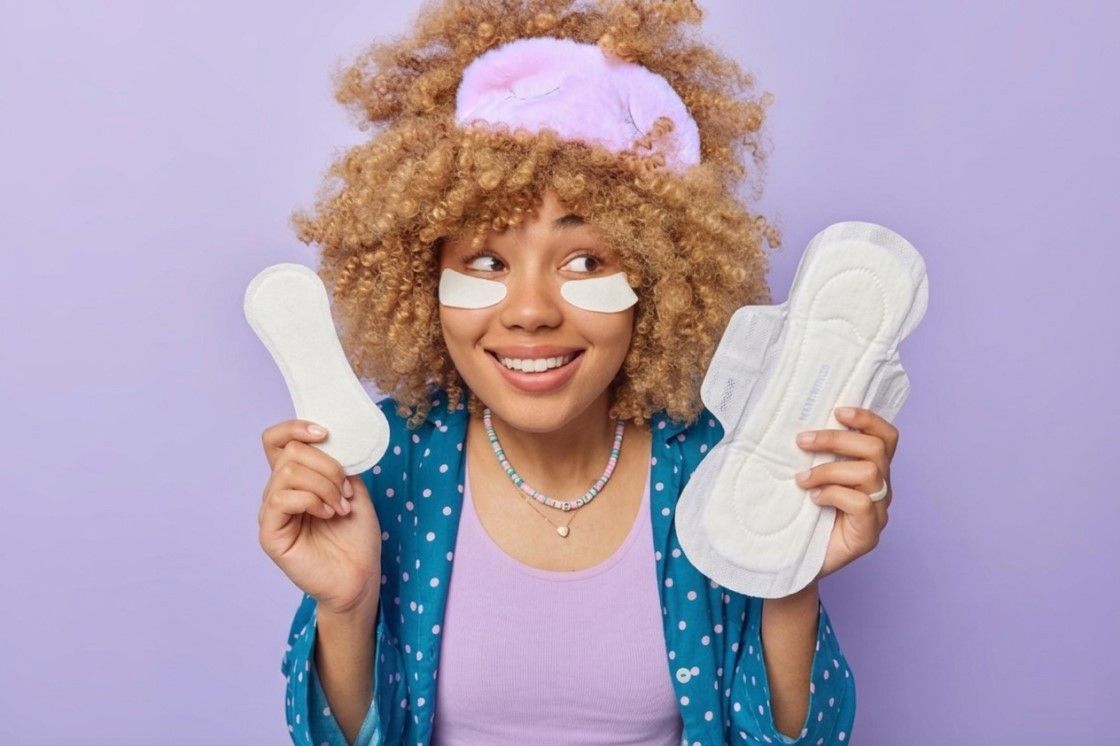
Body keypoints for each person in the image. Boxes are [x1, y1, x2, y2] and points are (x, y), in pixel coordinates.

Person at [258, 1, 897, 744]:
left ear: (658, 277)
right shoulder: (384, 464)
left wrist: (789, 568)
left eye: (587, 261)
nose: (530, 311)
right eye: (486, 261)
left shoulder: (719, 471)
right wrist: (346, 608)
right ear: (423, 279)